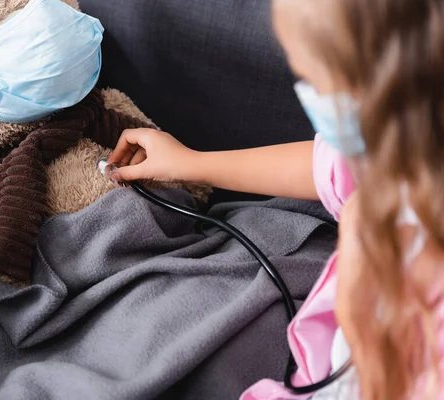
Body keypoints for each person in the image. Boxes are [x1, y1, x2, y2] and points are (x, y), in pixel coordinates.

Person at [107, 0, 444, 398]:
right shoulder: (400, 147)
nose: (313, 97)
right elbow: (329, 165)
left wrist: (360, 313)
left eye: (318, 82)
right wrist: (191, 163)